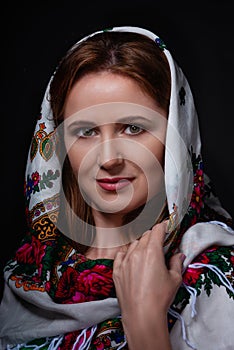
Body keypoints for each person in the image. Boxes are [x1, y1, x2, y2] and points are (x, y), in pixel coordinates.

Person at [0, 26, 233, 350]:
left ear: (175, 136)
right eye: (86, 131)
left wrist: (146, 327)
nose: (108, 158)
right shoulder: (29, 273)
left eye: (133, 128)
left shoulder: (219, 274)